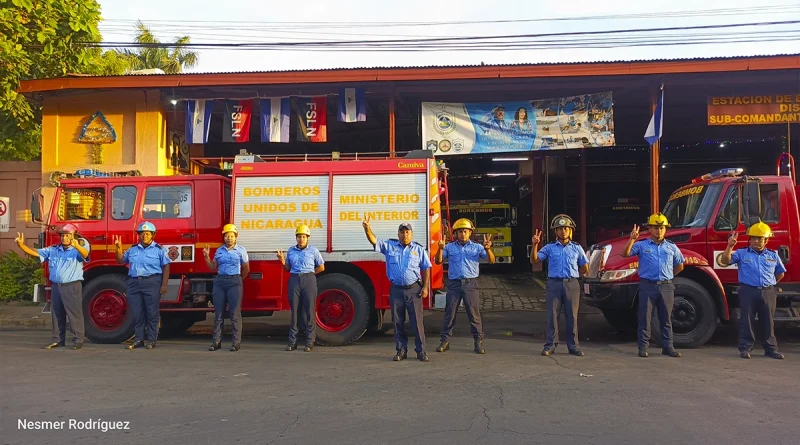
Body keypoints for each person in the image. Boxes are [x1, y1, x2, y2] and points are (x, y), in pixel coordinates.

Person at [363, 216, 432, 362]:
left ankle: (421, 351)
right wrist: (367, 228)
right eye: (402, 232)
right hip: (396, 290)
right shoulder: (390, 246)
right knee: (397, 322)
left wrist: (425, 287)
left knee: (417, 323)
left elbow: (426, 268)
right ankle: (401, 350)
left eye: (407, 232)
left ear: (411, 234)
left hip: (414, 290)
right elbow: (374, 241)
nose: (405, 234)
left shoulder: (418, 249)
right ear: (398, 234)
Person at [16, 224, 90, 350]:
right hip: (56, 286)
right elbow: (36, 252)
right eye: (62, 235)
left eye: (67, 235)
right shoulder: (53, 249)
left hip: (72, 286)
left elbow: (85, 254)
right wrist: (22, 245)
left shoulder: (77, 250)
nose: (64, 238)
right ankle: (57, 340)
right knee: (56, 314)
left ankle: (78, 340)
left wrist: (77, 245)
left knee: (74, 313)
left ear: (74, 236)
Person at [720, 222, 786, 360]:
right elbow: (726, 261)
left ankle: (771, 349)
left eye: (760, 238)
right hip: (748, 291)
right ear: (750, 239)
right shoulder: (742, 253)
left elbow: (780, 273)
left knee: (768, 321)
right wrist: (730, 246)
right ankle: (745, 348)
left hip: (768, 292)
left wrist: (770, 285)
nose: (756, 241)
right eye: (753, 238)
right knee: (747, 320)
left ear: (766, 240)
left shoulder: (773, 255)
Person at [622, 213, 684, 358]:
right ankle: (643, 347)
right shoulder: (641, 245)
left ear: (665, 229)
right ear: (649, 229)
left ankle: (668, 347)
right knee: (645, 317)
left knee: (666, 318)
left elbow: (679, 265)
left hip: (666, 286)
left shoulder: (672, 247)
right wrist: (632, 239)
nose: (659, 231)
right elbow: (625, 254)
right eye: (655, 228)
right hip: (647, 286)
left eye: (662, 228)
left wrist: (668, 277)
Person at [530, 214, 588, 357]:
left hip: (572, 284)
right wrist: (535, 245)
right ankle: (550, 345)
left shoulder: (577, 248)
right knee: (552, 315)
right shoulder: (549, 248)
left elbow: (585, 268)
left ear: (571, 231)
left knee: (572, 316)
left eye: (566, 228)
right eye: (560, 229)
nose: (563, 231)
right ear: (555, 232)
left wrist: (573, 277)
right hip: (554, 284)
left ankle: (573, 346)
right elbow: (535, 260)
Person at [434, 218, 494, 354]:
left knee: (474, 314)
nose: (462, 234)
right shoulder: (449, 247)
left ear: (470, 233)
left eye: (465, 231)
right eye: (460, 231)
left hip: (470, 284)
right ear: (455, 233)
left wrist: (488, 249)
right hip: (454, 285)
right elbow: (438, 261)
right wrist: (440, 249)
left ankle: (478, 342)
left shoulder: (477, 247)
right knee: (450, 313)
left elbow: (491, 260)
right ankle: (445, 341)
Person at [114, 221, 171, 350]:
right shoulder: (133, 249)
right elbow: (120, 260)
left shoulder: (159, 250)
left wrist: (164, 285)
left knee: (152, 312)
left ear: (152, 235)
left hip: (152, 282)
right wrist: (118, 248)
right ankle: (138, 339)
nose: (144, 236)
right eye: (142, 233)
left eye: (147, 233)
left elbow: (166, 266)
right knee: (137, 313)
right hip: (134, 282)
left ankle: (151, 340)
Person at [277, 224, 324, 352]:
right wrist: (282, 261)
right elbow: (288, 268)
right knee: (295, 312)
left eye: (303, 236)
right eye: (299, 237)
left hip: (309, 279)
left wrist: (310, 274)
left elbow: (321, 267)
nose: (301, 239)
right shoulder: (291, 250)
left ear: (308, 238)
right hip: (294, 279)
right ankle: (293, 342)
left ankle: (310, 342)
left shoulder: (313, 251)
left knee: (309, 311)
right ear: (296, 238)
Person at [203, 224, 250, 352]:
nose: (229, 238)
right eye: (226, 236)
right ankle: (216, 342)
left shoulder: (241, 250)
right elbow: (213, 267)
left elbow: (246, 269)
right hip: (220, 282)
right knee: (219, 313)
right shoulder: (219, 251)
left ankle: (236, 342)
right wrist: (206, 257)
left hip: (234, 282)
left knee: (235, 313)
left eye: (231, 236)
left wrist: (238, 280)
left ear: (236, 237)